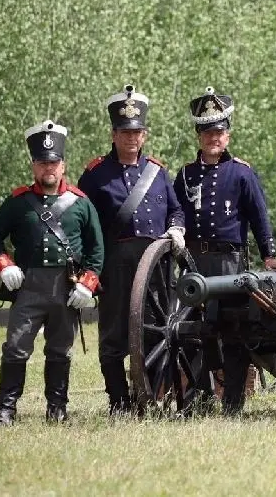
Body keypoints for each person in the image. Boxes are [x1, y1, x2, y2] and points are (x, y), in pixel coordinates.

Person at [0, 119, 104, 426]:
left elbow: (97, 249)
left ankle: (57, 409)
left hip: (67, 286)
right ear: (34, 166)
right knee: (16, 347)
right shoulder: (18, 202)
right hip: (28, 286)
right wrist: (4, 265)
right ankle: (6, 409)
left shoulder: (81, 203)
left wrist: (88, 284)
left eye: (53, 162)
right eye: (41, 163)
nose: (48, 168)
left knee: (60, 349)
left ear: (63, 165)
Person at [173, 86, 276, 415]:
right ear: (198, 135)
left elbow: (259, 217)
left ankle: (233, 402)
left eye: (219, 131)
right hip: (194, 259)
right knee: (196, 331)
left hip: (230, 260)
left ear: (228, 134)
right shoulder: (185, 175)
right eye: (208, 131)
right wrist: (176, 229)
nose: (214, 137)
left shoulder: (242, 172)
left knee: (233, 330)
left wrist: (269, 254)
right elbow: (177, 210)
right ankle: (200, 396)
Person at [76, 84, 185, 416]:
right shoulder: (95, 175)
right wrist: (85, 269)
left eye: (136, 132)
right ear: (113, 134)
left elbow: (176, 209)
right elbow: (81, 221)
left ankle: (150, 396)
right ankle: (119, 401)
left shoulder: (157, 171)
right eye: (125, 132)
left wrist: (177, 227)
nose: (131, 138)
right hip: (115, 266)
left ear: (144, 134)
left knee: (156, 331)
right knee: (113, 336)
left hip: (154, 268)